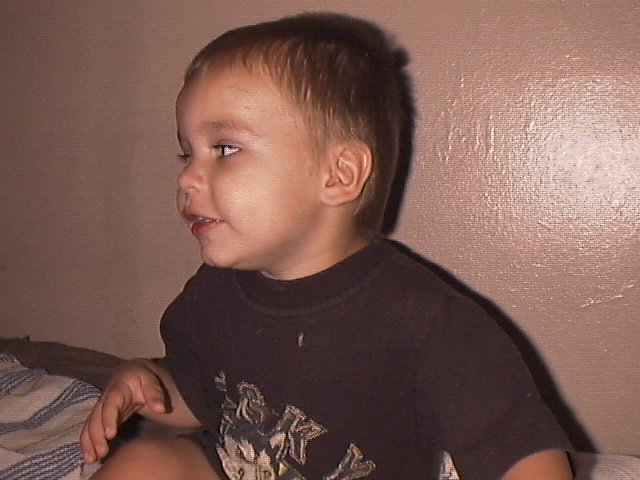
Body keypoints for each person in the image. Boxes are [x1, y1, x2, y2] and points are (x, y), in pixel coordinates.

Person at [80, 12, 573, 480]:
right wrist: (149, 386)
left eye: (225, 149)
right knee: (144, 460)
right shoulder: (212, 293)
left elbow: (523, 453)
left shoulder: (425, 319)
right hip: (241, 466)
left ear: (338, 175)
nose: (187, 177)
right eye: (186, 153)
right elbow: (199, 397)